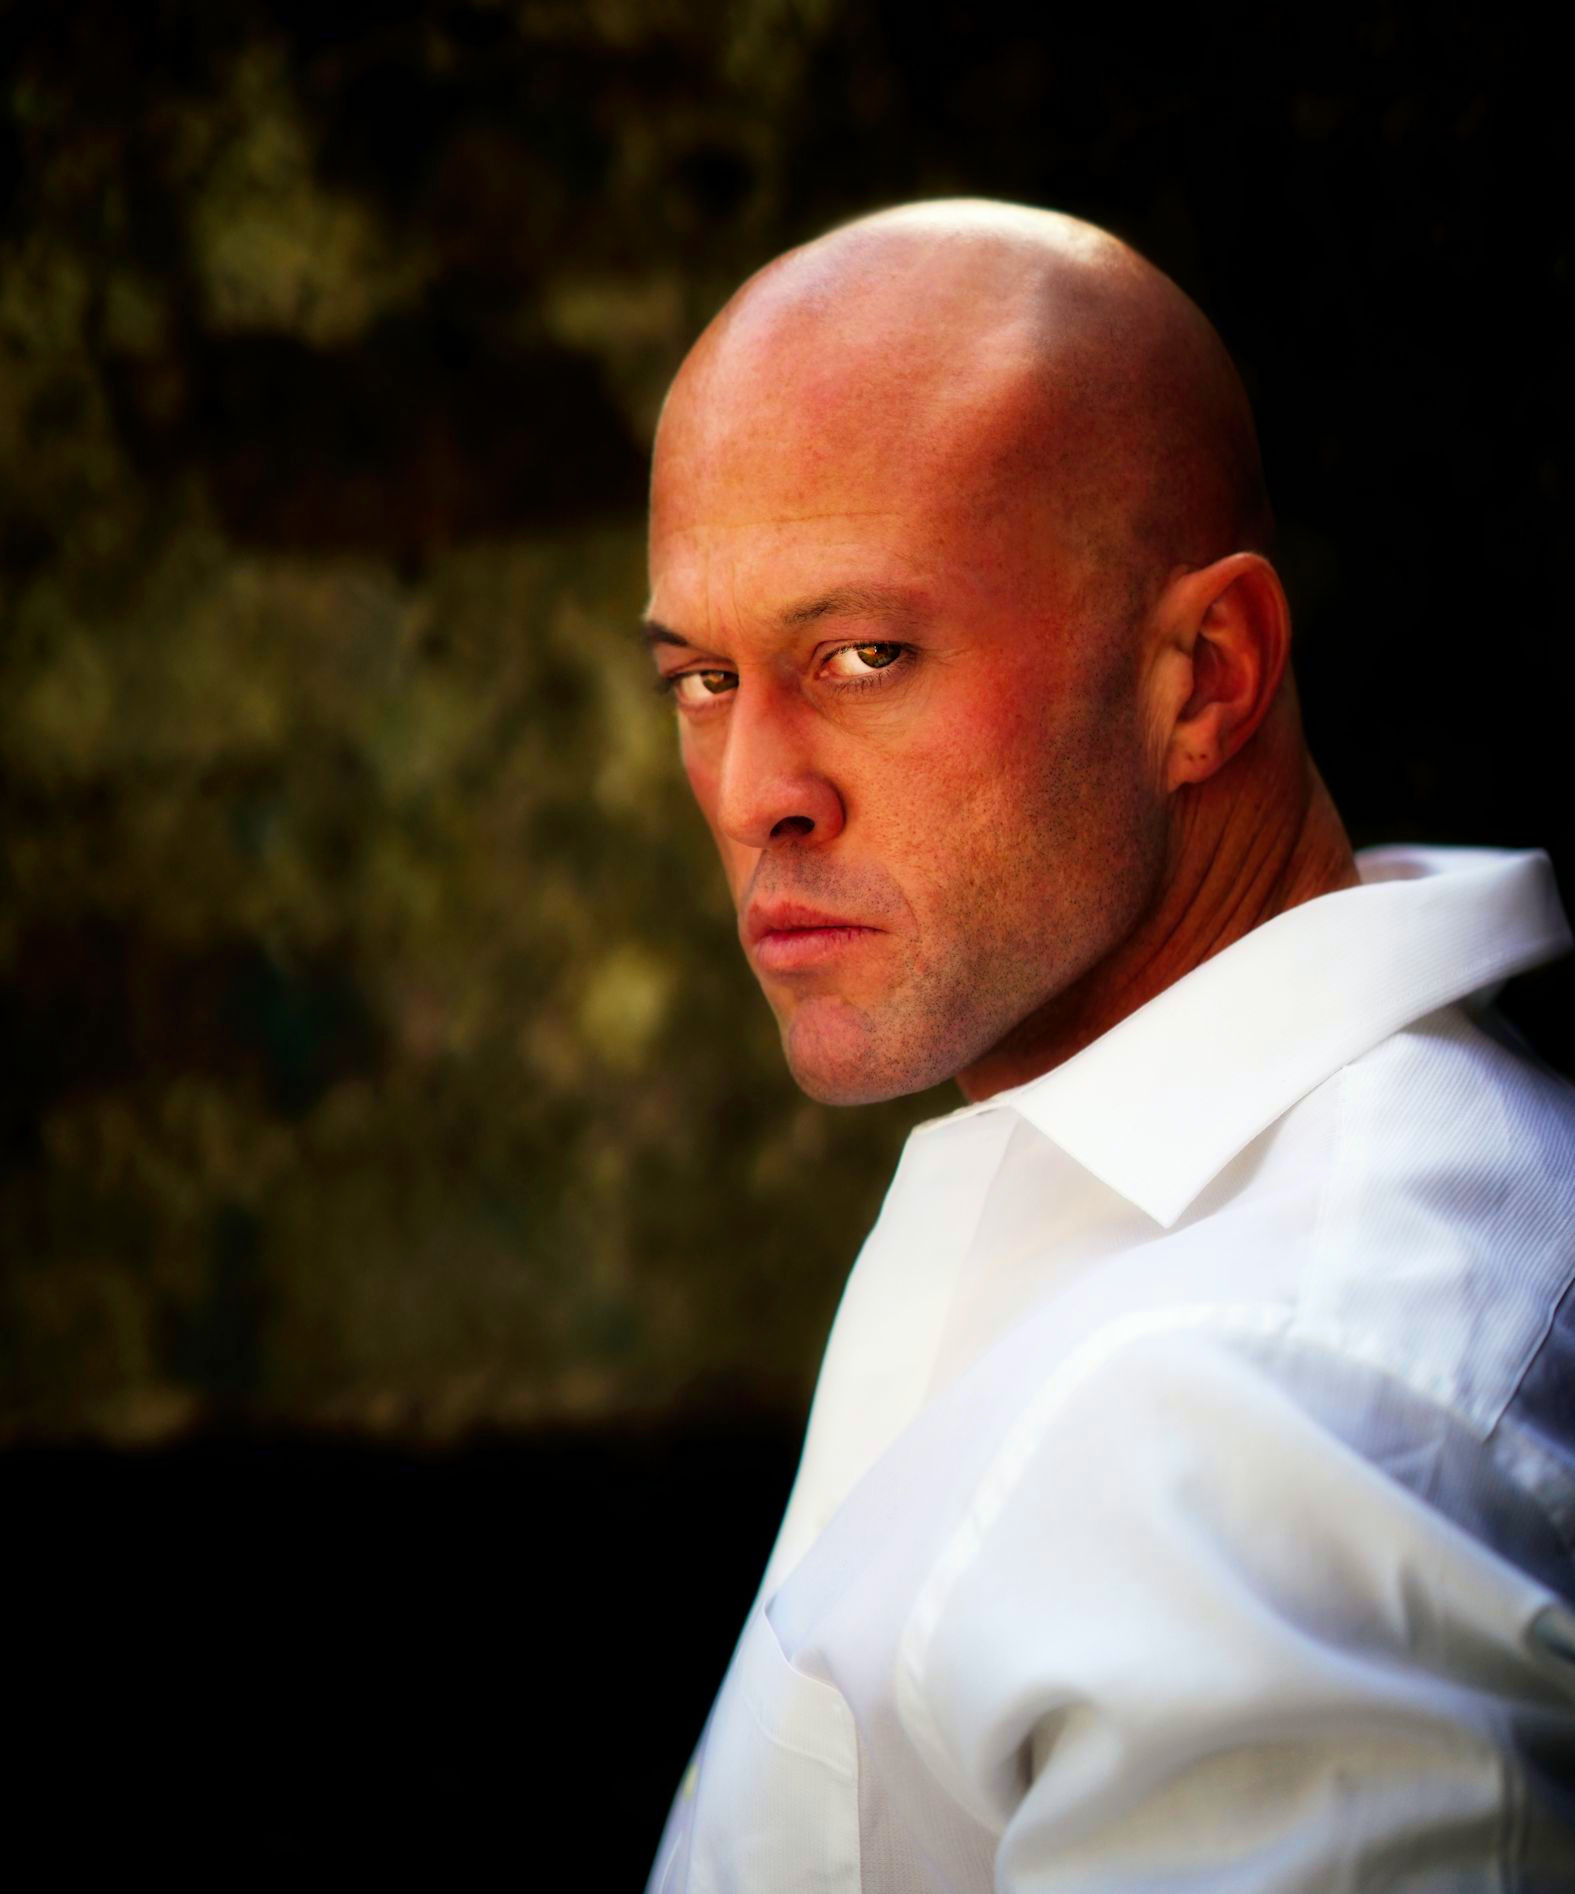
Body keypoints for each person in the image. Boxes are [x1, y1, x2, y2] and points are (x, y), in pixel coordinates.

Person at [639, 199, 1575, 1890]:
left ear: (1205, 675)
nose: (756, 789)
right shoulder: (1202, 1216)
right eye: (702, 677)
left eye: (864, 654)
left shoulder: (1261, 1421)